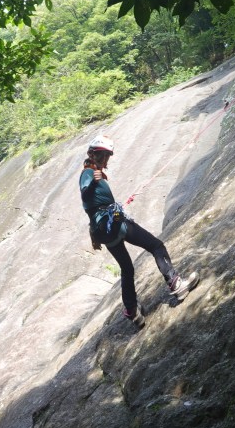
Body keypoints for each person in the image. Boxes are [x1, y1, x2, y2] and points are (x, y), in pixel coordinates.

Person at [80, 135, 198, 327]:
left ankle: (132, 310)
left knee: (127, 269)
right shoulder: (88, 173)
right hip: (114, 223)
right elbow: (85, 193)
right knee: (156, 246)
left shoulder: (94, 173)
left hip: (103, 230)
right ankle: (176, 284)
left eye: (107, 156)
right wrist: (93, 181)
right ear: (92, 155)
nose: (105, 159)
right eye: (102, 155)